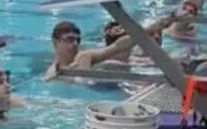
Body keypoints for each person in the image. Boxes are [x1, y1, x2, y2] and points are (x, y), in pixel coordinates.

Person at [45, 14, 175, 80]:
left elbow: (117, 46)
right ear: (55, 42)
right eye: (69, 40)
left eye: (77, 40)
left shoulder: (85, 57)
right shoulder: (52, 73)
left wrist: (150, 29)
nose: (75, 44)